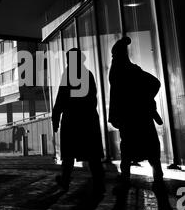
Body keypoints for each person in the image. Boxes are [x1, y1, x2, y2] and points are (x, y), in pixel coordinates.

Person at [108, 37, 165, 195]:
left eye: (114, 56)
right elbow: (155, 83)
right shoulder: (132, 71)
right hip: (140, 118)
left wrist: (143, 100)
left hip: (131, 119)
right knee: (149, 150)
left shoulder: (123, 72)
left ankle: (126, 180)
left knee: (128, 150)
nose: (113, 59)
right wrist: (146, 99)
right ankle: (157, 179)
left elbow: (154, 84)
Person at [52, 48, 105, 195]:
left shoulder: (68, 76)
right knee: (93, 156)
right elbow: (93, 98)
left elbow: (60, 100)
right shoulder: (88, 75)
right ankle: (99, 184)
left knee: (68, 156)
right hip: (88, 121)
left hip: (71, 121)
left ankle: (65, 181)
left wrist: (55, 119)